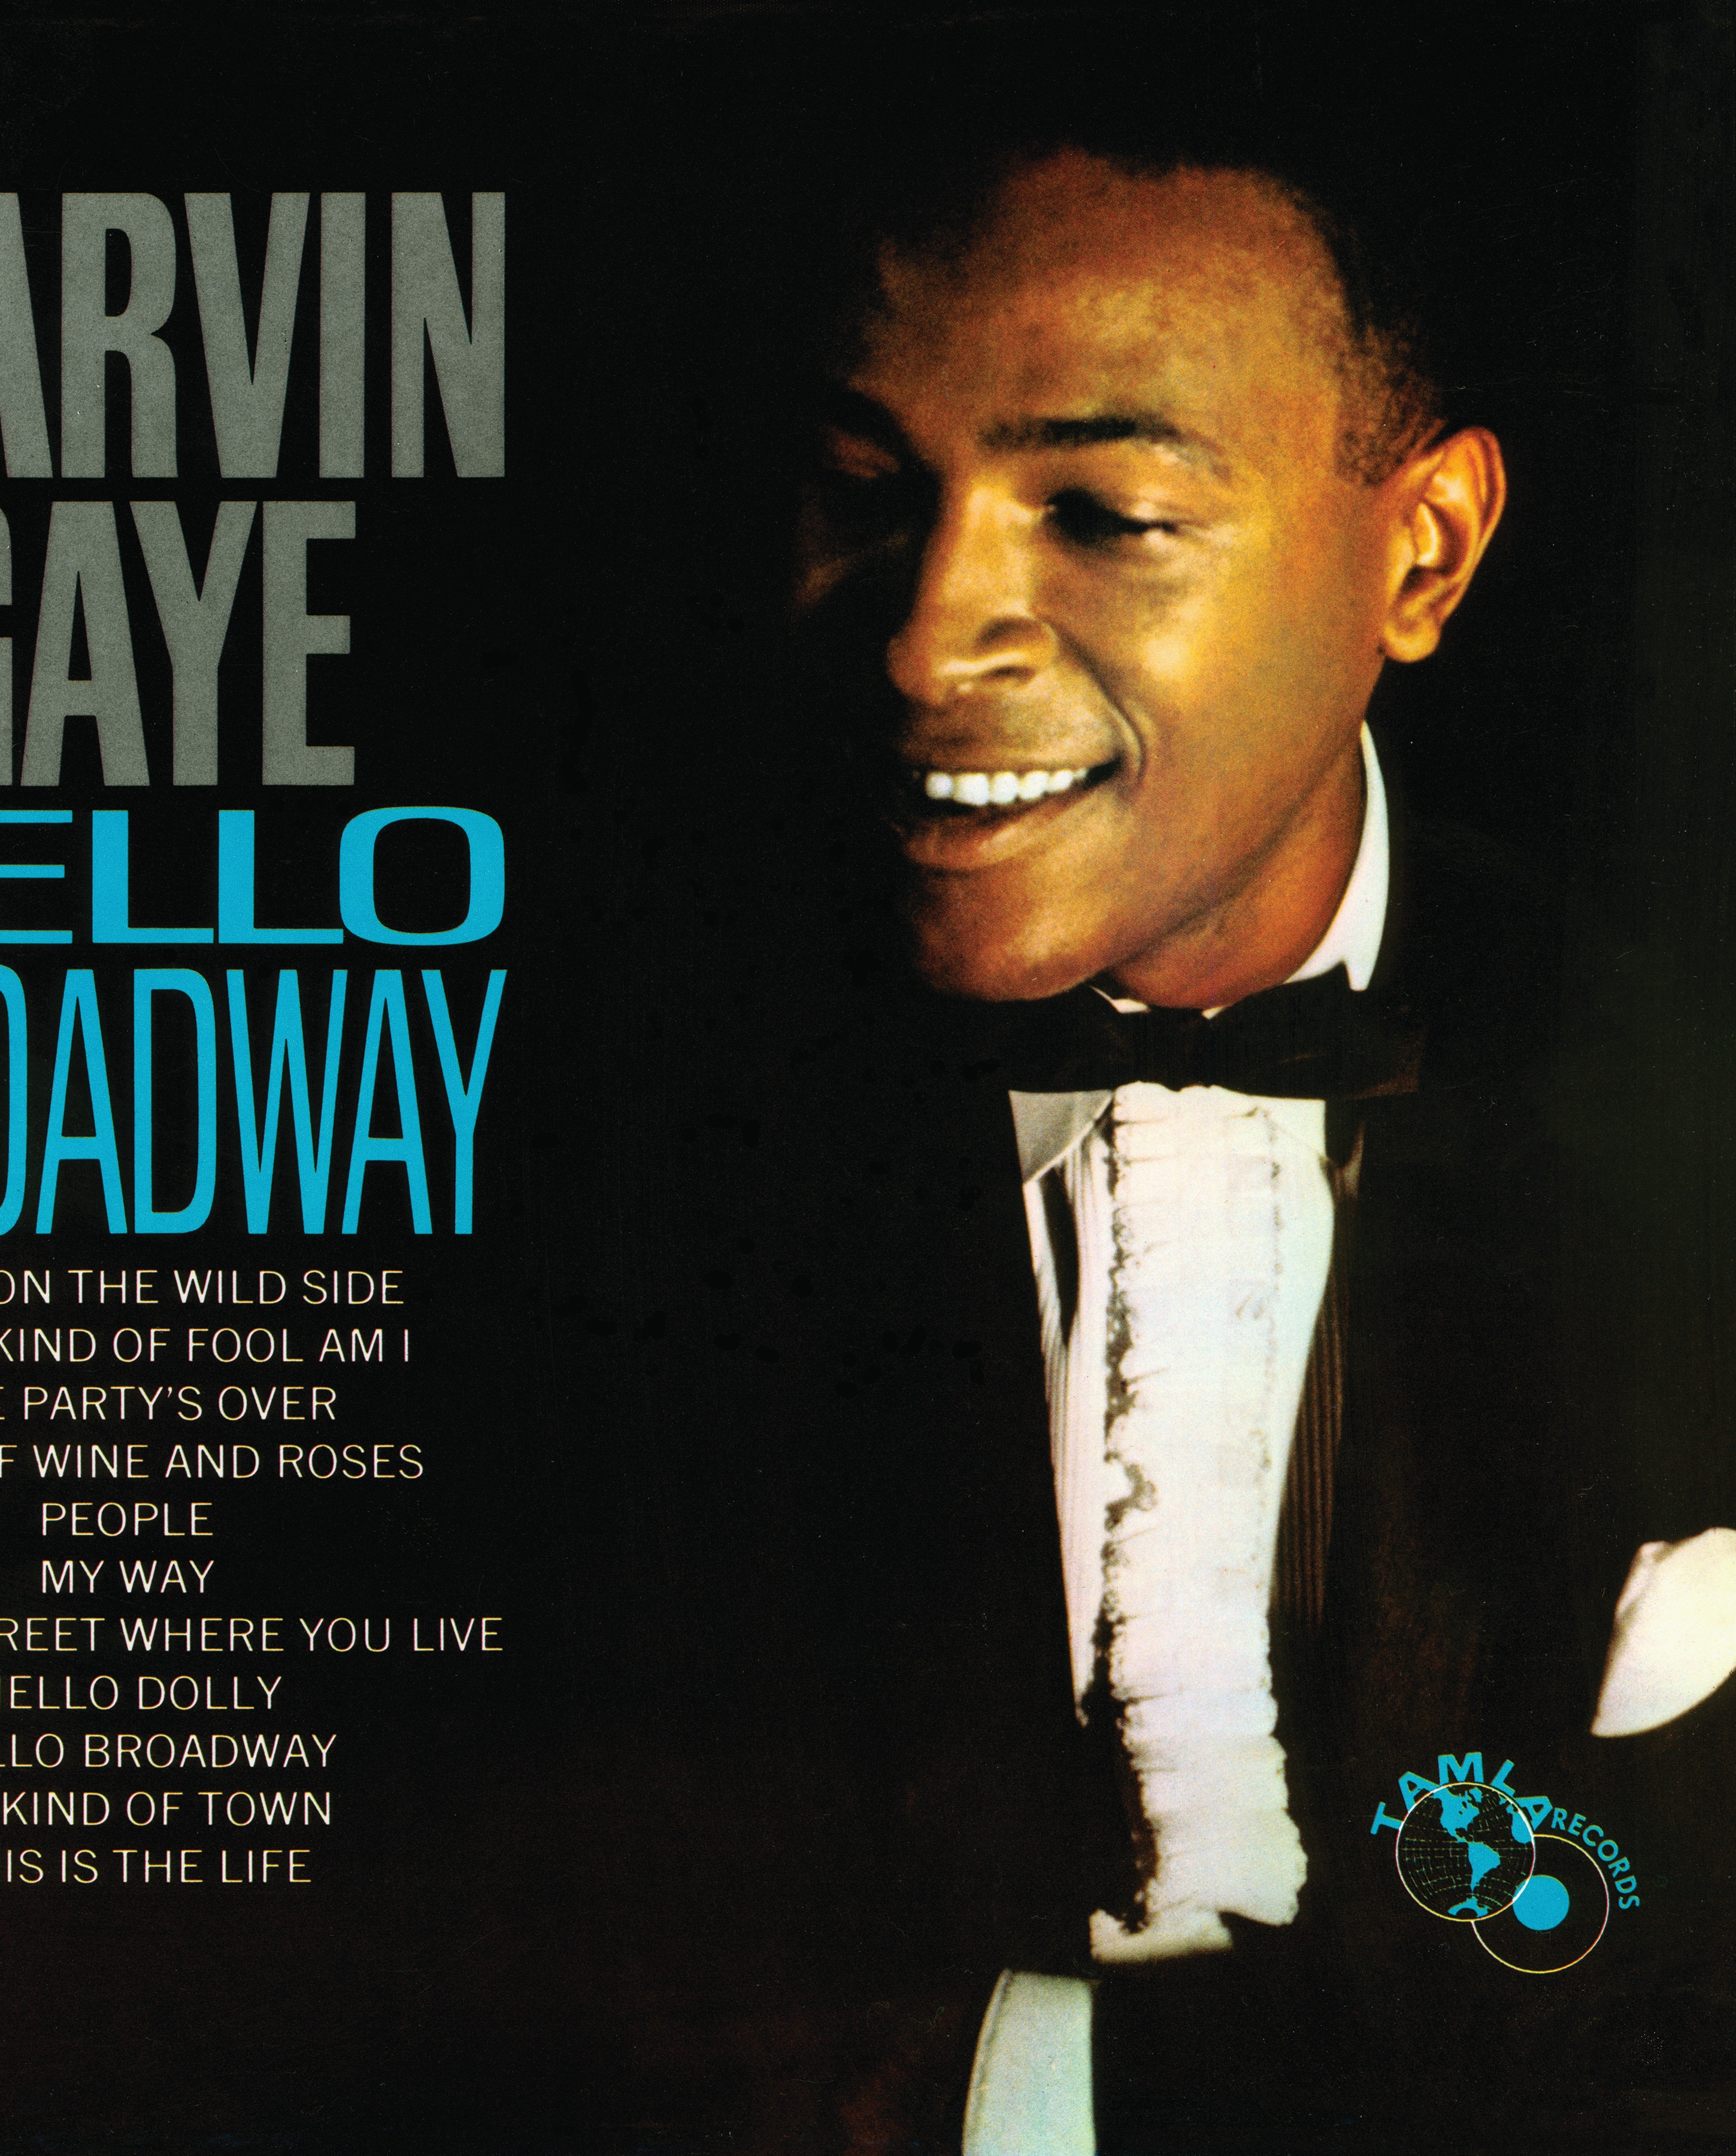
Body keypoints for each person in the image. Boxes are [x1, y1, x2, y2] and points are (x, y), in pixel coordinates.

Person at [778, 138, 1736, 2154]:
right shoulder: (572, 1138)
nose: (927, 638)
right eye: (867, 491)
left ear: (1424, 555)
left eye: (1107, 516)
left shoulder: (1678, 1107)